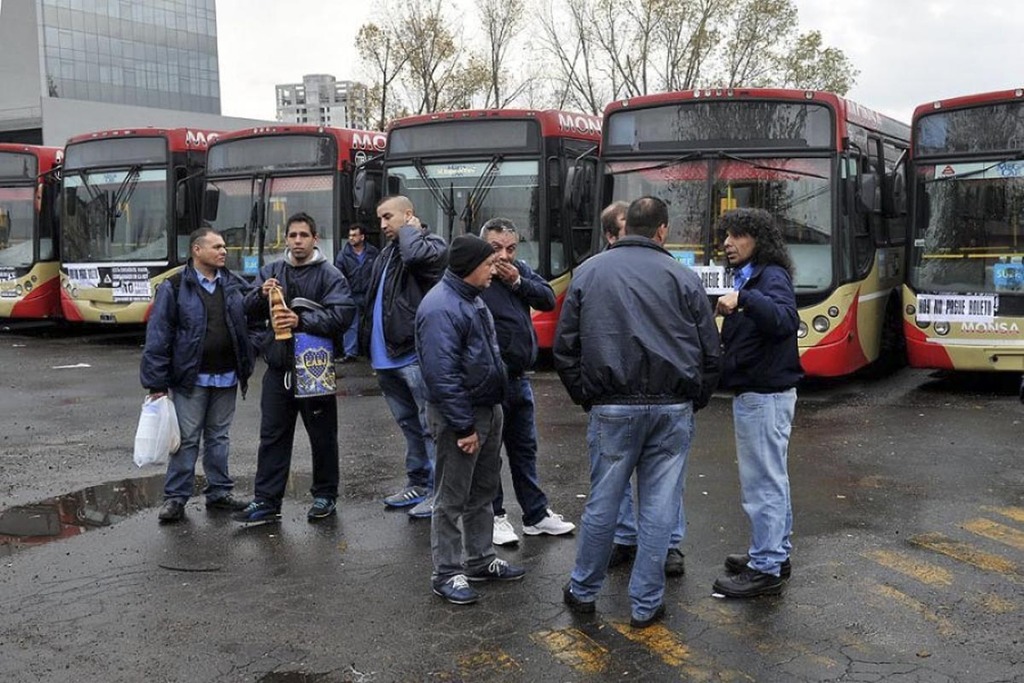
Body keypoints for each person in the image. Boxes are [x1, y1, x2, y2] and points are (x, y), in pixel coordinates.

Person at [554, 196, 720, 628]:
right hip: (671, 406)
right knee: (661, 505)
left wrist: (587, 396)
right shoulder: (683, 277)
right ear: (662, 230)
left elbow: (564, 347)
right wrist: (695, 397)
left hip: (612, 405)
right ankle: (646, 603)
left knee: (604, 502)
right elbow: (710, 350)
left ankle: (583, 590)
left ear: (625, 228)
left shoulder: (589, 272)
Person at [416, 234, 525, 605]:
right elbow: (441, 375)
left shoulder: (470, 298)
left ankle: (479, 560)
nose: (494, 269)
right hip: (461, 416)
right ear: (468, 268)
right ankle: (446, 572)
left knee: (482, 491)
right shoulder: (441, 308)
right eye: (488, 264)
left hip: (486, 409)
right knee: (451, 497)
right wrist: (463, 427)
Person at [233, 212, 354, 525]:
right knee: (272, 436)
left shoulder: (330, 274)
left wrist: (302, 322)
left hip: (315, 367)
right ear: (285, 239)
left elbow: (343, 316)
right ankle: (266, 501)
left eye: (304, 235)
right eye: (292, 235)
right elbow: (246, 310)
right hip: (278, 369)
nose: (298, 241)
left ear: (315, 239)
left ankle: (325, 495)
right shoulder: (271, 271)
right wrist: (260, 297)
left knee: (323, 436)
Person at [712, 208, 803, 598]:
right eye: (726, 236)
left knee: (762, 484)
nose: (728, 243)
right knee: (771, 479)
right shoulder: (754, 276)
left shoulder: (769, 277)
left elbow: (785, 319)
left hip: (764, 395)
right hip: (761, 393)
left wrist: (743, 299)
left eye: (738, 235)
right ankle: (772, 554)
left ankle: (765, 567)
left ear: (759, 239)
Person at [141, 226, 255, 524]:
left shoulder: (232, 283)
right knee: (187, 440)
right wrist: (156, 382)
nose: (223, 251)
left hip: (227, 376)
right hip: (192, 378)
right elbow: (159, 335)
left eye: (223, 247)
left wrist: (250, 351)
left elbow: (250, 319)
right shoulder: (175, 286)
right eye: (216, 246)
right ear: (197, 250)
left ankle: (219, 493)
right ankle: (176, 498)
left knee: (219, 437)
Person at [478, 217, 575, 546]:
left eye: (510, 248)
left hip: (519, 378)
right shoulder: (476, 273)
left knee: (525, 449)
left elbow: (547, 298)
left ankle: (535, 515)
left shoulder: (517, 270)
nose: (504, 256)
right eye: (495, 248)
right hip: (490, 379)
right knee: (490, 453)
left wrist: (519, 281)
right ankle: (495, 516)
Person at [362, 195, 448, 519]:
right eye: (380, 218)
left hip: (411, 355)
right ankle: (418, 483)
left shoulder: (430, 245)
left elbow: (416, 259)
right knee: (409, 426)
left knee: (430, 427)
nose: (382, 225)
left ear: (409, 215)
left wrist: (411, 231)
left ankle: (440, 494)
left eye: (388, 217)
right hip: (385, 359)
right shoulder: (386, 254)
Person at [334, 223, 379, 362]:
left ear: (362, 237)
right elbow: (339, 276)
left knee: (373, 323)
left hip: (369, 294)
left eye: (354, 235)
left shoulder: (373, 253)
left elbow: (377, 272)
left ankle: (373, 353)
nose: (351, 238)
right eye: (349, 235)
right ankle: (350, 353)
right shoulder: (343, 255)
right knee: (351, 324)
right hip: (351, 294)